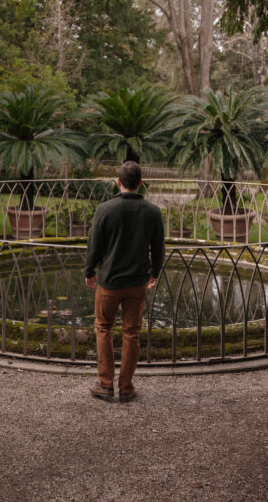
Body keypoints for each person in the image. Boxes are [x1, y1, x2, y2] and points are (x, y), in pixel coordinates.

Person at [83, 159, 165, 403]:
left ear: (117, 182)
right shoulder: (152, 212)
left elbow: (94, 246)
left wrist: (89, 271)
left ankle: (105, 385)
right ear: (141, 183)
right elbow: (158, 248)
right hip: (137, 282)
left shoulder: (105, 210)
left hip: (109, 281)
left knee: (103, 328)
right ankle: (126, 388)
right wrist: (155, 273)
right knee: (132, 333)